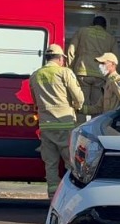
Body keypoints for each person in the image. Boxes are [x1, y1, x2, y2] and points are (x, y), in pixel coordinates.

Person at [29, 44, 84, 196]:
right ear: (60, 58)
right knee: (71, 162)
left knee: (51, 164)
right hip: (65, 124)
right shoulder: (64, 72)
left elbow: (35, 101)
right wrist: (77, 107)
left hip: (46, 126)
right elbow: (78, 97)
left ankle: (52, 195)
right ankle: (70, 194)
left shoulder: (35, 75)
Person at [67, 16, 118, 118]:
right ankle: (95, 130)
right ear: (105, 26)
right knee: (97, 107)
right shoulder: (110, 38)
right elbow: (115, 58)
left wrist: (70, 69)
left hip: (82, 72)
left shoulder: (82, 32)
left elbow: (70, 51)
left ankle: (80, 128)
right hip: (100, 75)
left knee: (81, 104)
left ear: (92, 24)